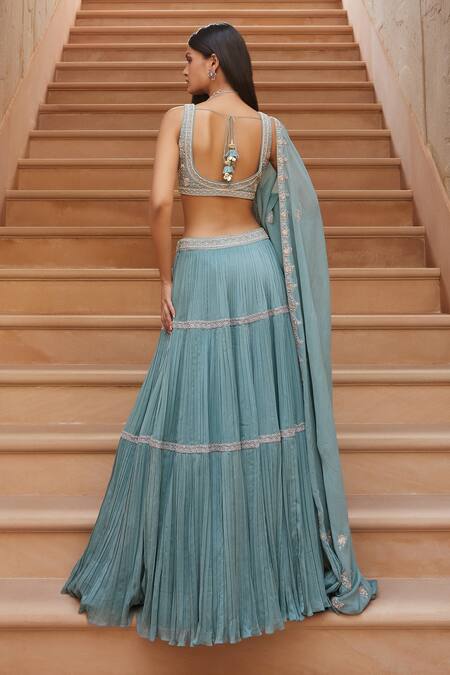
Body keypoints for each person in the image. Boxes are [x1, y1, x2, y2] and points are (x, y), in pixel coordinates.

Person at [60, 22, 377, 647]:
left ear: (213, 63)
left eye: (187, 60)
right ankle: (265, 572)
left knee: (193, 415)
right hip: (258, 275)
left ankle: (194, 573)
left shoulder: (177, 121)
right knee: (257, 416)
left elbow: (159, 204)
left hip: (202, 269)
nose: (181, 70)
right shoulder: (271, 130)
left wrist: (164, 278)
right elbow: (299, 213)